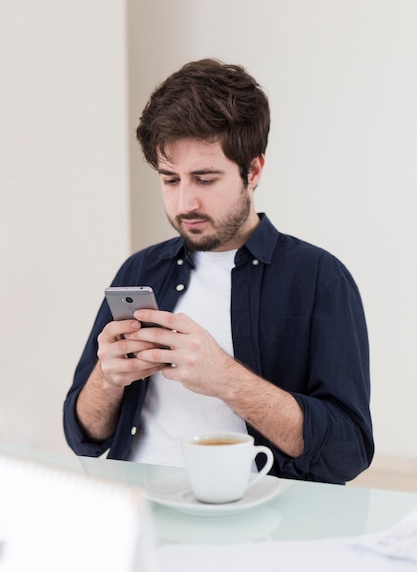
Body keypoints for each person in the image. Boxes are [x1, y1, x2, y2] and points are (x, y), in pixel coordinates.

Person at [64, 58, 374, 484]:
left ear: (254, 171)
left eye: (205, 179)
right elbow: (83, 435)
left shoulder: (320, 278)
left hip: (257, 527)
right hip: (138, 513)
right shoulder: (139, 269)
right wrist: (108, 377)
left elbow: (347, 451)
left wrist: (225, 378)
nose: (184, 203)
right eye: (170, 180)